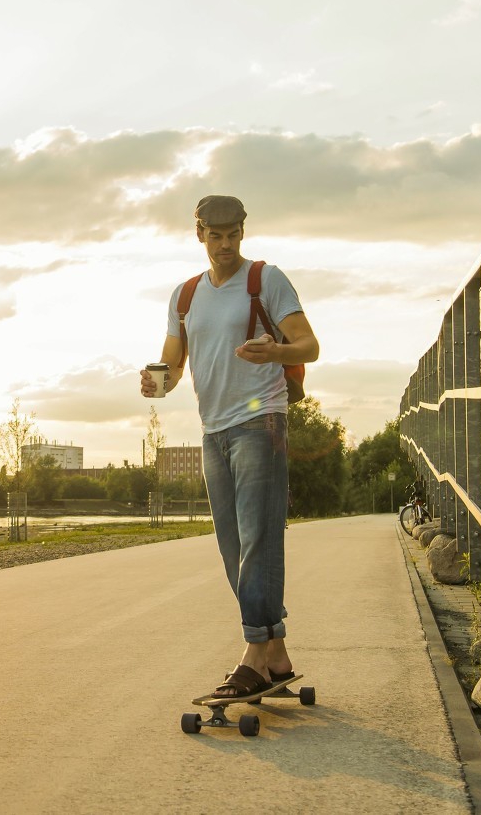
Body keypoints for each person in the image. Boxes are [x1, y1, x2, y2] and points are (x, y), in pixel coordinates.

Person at [140, 194, 319, 698]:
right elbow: (173, 364)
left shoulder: (267, 280)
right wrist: (161, 382)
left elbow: (309, 345)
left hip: (261, 420)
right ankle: (277, 653)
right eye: (215, 236)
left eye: (233, 234)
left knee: (259, 536)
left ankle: (253, 657)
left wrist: (277, 351)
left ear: (244, 231)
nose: (224, 244)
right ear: (199, 235)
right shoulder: (185, 295)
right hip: (212, 429)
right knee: (233, 546)